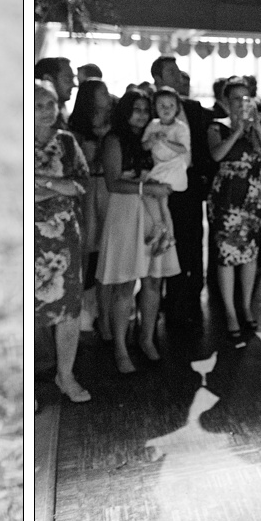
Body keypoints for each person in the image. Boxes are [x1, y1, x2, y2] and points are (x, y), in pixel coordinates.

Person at [98, 90, 178, 372]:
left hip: (153, 209)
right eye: (136, 109)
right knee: (125, 282)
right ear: (124, 111)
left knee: (155, 279)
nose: (142, 114)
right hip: (125, 211)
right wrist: (148, 187)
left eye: (146, 109)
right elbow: (113, 182)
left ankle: (146, 337)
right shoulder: (114, 140)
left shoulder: (154, 135)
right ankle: (120, 347)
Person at [34, 81, 91, 404]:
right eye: (39, 105)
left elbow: (81, 184)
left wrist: (43, 183)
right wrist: (60, 185)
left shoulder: (67, 142)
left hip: (65, 235)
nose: (46, 111)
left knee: (69, 307)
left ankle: (65, 374)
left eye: (51, 104)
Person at [207, 77, 261, 345]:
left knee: (250, 253)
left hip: (253, 195)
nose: (242, 103)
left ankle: (246, 306)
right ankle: (230, 312)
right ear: (226, 101)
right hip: (227, 195)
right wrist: (237, 130)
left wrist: (255, 125)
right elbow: (216, 155)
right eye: (236, 98)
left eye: (247, 98)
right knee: (226, 255)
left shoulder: (258, 128)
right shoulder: (216, 126)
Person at [150, 57, 212, 334]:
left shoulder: (193, 108)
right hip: (159, 187)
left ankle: (193, 296)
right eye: (171, 72)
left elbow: (200, 150)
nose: (177, 76)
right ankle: (167, 301)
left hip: (189, 186)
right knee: (164, 241)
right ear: (158, 78)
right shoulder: (152, 110)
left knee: (192, 241)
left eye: (177, 71)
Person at [66, 78, 114, 339]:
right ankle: (86, 309)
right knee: (88, 248)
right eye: (102, 92)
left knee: (105, 249)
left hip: (107, 189)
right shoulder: (76, 130)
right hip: (89, 191)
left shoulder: (113, 124)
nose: (108, 96)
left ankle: (101, 309)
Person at [140, 87, 190, 256]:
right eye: (162, 105)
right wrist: (152, 140)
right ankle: (167, 235)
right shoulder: (153, 125)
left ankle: (160, 228)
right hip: (159, 167)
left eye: (171, 105)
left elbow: (183, 149)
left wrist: (165, 141)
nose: (166, 109)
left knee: (147, 192)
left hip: (172, 168)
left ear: (177, 108)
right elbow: (143, 146)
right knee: (161, 203)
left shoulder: (180, 128)